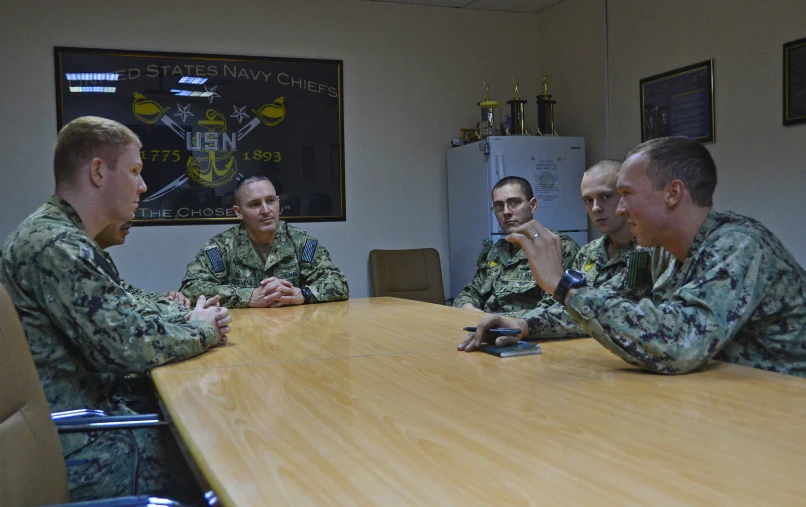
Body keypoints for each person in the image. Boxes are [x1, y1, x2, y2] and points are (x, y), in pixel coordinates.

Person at [0, 116, 232, 501]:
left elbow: (125, 311)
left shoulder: (62, 235)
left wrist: (187, 318)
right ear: (97, 171)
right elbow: (128, 347)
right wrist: (202, 329)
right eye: (135, 171)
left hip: (88, 418)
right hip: (83, 440)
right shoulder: (56, 245)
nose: (143, 186)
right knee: (217, 456)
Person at [495, 136, 806, 377]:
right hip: (720, 396)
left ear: (673, 194)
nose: (618, 209)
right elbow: (608, 306)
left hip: (782, 409)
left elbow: (677, 345)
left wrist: (563, 284)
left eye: (626, 195)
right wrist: (522, 324)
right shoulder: (658, 251)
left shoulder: (739, 247)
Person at [459, 160, 652, 351]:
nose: (595, 208)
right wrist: (520, 326)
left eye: (606, 197)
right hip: (584, 351)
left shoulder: (655, 252)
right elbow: (570, 310)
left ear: (627, 197)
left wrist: (518, 323)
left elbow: (616, 315)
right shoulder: (588, 253)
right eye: (588, 200)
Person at [181, 175, 349, 308]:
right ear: (239, 212)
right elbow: (191, 289)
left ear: (278, 202)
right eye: (255, 204)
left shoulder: (301, 242)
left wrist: (303, 294)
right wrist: (249, 296)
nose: (266, 210)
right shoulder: (221, 247)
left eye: (270, 201)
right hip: (241, 334)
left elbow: (338, 283)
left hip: (294, 332)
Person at [452, 176, 579, 316]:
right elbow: (469, 293)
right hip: (486, 329)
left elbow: (555, 309)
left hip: (529, 333)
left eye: (514, 203)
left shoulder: (557, 247)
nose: (506, 212)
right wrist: (469, 309)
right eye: (499, 206)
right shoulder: (495, 251)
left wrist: (493, 319)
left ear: (533, 205)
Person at [96, 220, 190, 313]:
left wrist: (168, 297)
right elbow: (119, 308)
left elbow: (126, 291)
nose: (131, 218)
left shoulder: (97, 254)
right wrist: (169, 306)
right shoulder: (84, 255)